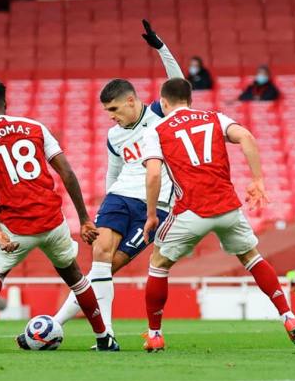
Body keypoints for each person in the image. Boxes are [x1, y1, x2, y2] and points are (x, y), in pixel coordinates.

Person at [18, 20, 183, 346]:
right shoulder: (113, 135)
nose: (111, 116)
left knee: (107, 269)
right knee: (99, 260)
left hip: (156, 206)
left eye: (115, 109)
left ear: (133, 101)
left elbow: (177, 83)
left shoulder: (159, 115)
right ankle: (105, 335)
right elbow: (113, 172)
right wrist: (102, 206)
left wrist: (161, 48)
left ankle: (54, 323)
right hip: (119, 198)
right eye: (107, 111)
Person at [140, 78, 295, 351]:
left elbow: (154, 173)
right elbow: (247, 137)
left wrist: (150, 215)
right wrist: (258, 180)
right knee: (252, 258)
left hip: (189, 211)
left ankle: (155, 334)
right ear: (190, 101)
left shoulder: (156, 130)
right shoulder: (215, 117)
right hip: (228, 208)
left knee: (158, 265)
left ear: (164, 102)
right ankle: (288, 317)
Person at [0, 78, 118, 352]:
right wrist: (84, 219)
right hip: (52, 221)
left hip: (16, 226)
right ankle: (104, 337)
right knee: (76, 278)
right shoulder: (35, 127)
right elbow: (66, 172)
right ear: (5, 104)